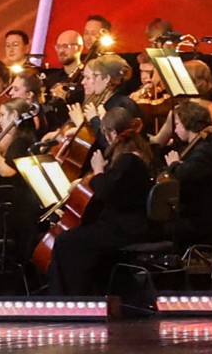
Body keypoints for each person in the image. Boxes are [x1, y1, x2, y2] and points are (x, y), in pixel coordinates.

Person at [44, 107, 154, 296]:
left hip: (124, 227)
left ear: (113, 133)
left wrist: (98, 171)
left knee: (65, 241)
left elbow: (104, 191)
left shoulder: (127, 160)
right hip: (129, 224)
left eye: (105, 132)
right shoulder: (140, 154)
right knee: (76, 240)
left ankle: (69, 298)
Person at [163, 102, 212, 250]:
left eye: (177, 124)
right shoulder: (205, 146)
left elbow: (184, 175)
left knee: (156, 229)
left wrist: (174, 164)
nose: (176, 129)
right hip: (206, 217)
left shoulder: (204, 151)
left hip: (204, 223)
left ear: (188, 123)